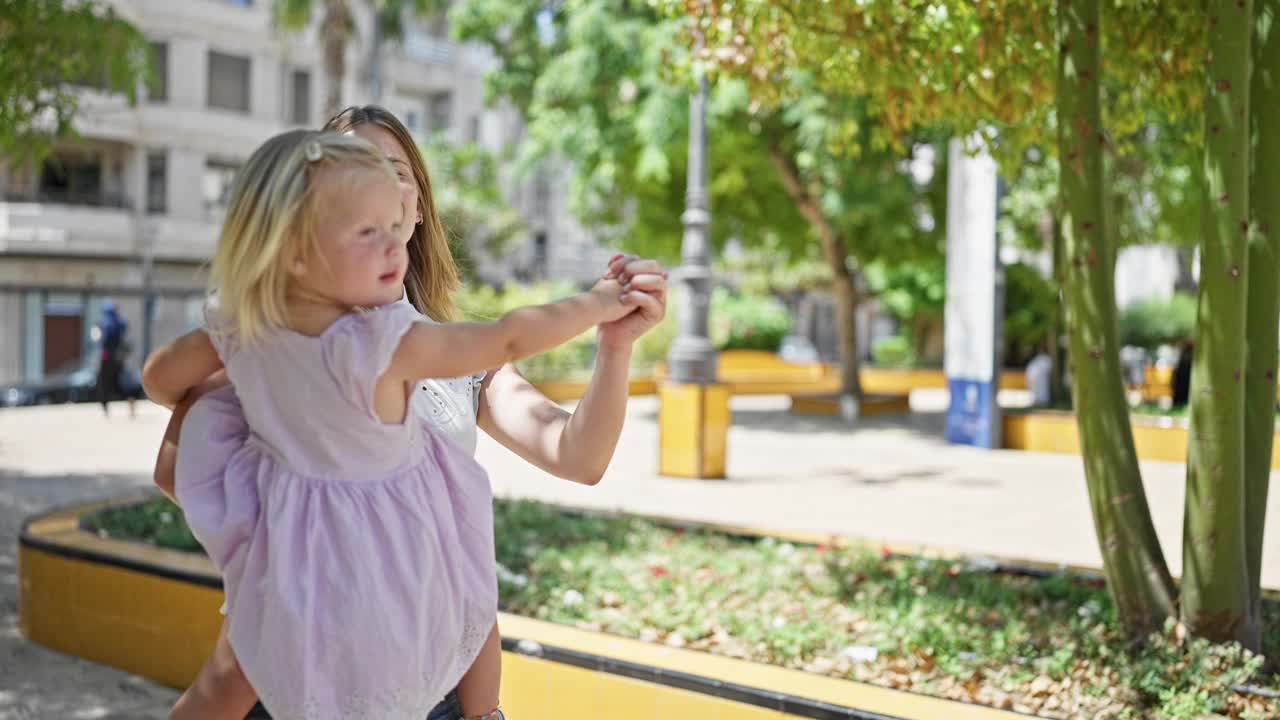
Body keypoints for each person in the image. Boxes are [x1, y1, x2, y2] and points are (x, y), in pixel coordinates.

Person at [141, 129, 656, 720]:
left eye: (393, 181)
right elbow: (174, 465)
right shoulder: (316, 340)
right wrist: (595, 304)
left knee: (466, 582)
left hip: (392, 654)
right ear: (297, 239)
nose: (384, 235)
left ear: (415, 208)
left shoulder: (274, 333)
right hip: (304, 663)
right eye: (361, 217)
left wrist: (614, 347)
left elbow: (579, 456)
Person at [93, 299, 136, 418]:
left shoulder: (104, 322)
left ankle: (105, 408)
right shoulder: (120, 322)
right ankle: (130, 399)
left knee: (103, 383)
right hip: (119, 358)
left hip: (106, 358)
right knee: (120, 382)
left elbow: (102, 339)